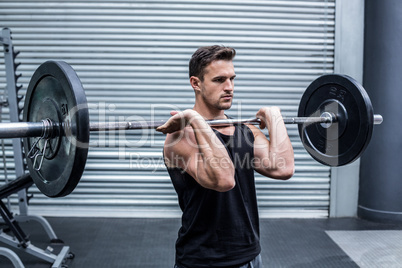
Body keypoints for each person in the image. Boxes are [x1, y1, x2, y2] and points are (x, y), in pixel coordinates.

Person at [156, 45, 294, 268]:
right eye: (219, 80)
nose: (229, 87)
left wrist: (274, 116)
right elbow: (224, 179)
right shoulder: (181, 137)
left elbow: (284, 168)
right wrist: (194, 118)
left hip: (250, 256)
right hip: (204, 260)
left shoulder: (243, 130)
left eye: (232, 79)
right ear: (196, 83)